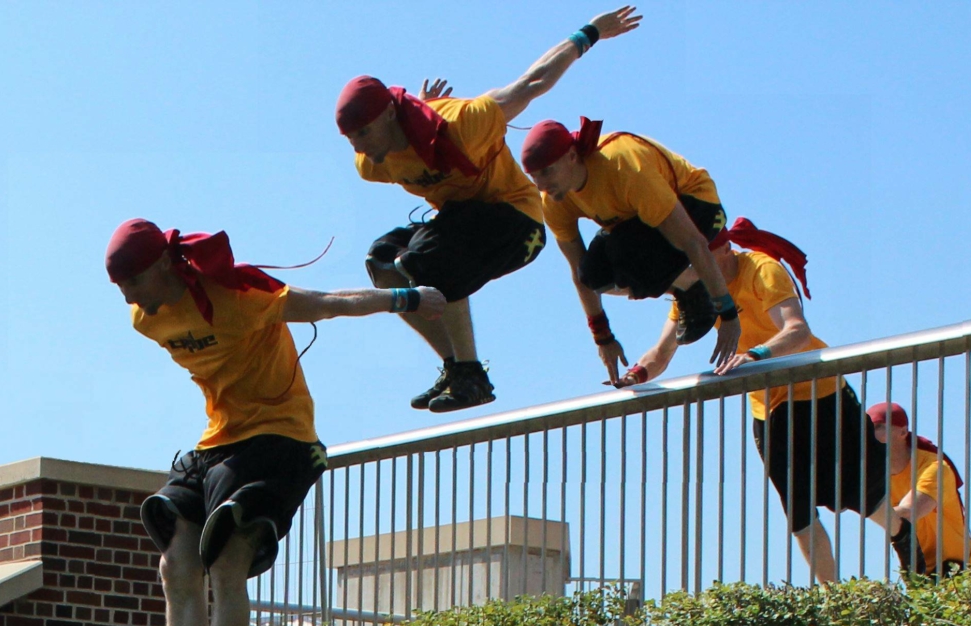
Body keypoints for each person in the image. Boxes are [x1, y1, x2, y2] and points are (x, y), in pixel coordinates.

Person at [109, 220, 442, 626]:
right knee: (175, 565)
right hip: (217, 442)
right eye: (120, 287)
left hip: (279, 437)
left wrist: (404, 296)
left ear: (167, 265)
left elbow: (331, 303)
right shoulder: (144, 320)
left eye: (135, 281)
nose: (129, 297)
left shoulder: (239, 298)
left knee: (225, 558)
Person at [337, 6, 643, 413]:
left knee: (427, 257)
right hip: (462, 223)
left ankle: (470, 374)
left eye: (363, 133)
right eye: (349, 138)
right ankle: (456, 367)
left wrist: (588, 34)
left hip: (518, 224)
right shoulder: (371, 164)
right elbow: (401, 138)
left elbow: (532, 84)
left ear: (390, 114)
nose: (359, 147)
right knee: (383, 265)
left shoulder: (463, 123)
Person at [613, 220, 884, 584]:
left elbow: (797, 330)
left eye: (701, 256)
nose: (697, 268)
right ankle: (836, 601)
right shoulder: (694, 290)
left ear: (725, 249)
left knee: (868, 499)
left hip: (821, 391)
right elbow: (662, 352)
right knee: (799, 515)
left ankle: (915, 558)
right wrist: (635, 375)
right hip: (770, 407)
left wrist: (755, 356)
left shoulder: (761, 269)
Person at [522, 117, 741, 382]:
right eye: (534, 177)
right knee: (593, 274)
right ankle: (687, 286)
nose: (541, 185)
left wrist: (727, 312)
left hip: (697, 205)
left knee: (625, 255)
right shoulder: (554, 201)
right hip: (637, 222)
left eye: (547, 172)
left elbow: (692, 241)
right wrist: (602, 337)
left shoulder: (623, 166)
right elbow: (579, 275)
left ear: (571, 156)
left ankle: (695, 284)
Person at [867, 402, 971, 578]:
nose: (870, 435)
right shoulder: (875, 476)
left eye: (878, 427)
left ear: (902, 432)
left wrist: (864, 505)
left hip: (962, 571)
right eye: (867, 429)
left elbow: (908, 512)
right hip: (921, 575)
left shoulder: (935, 467)